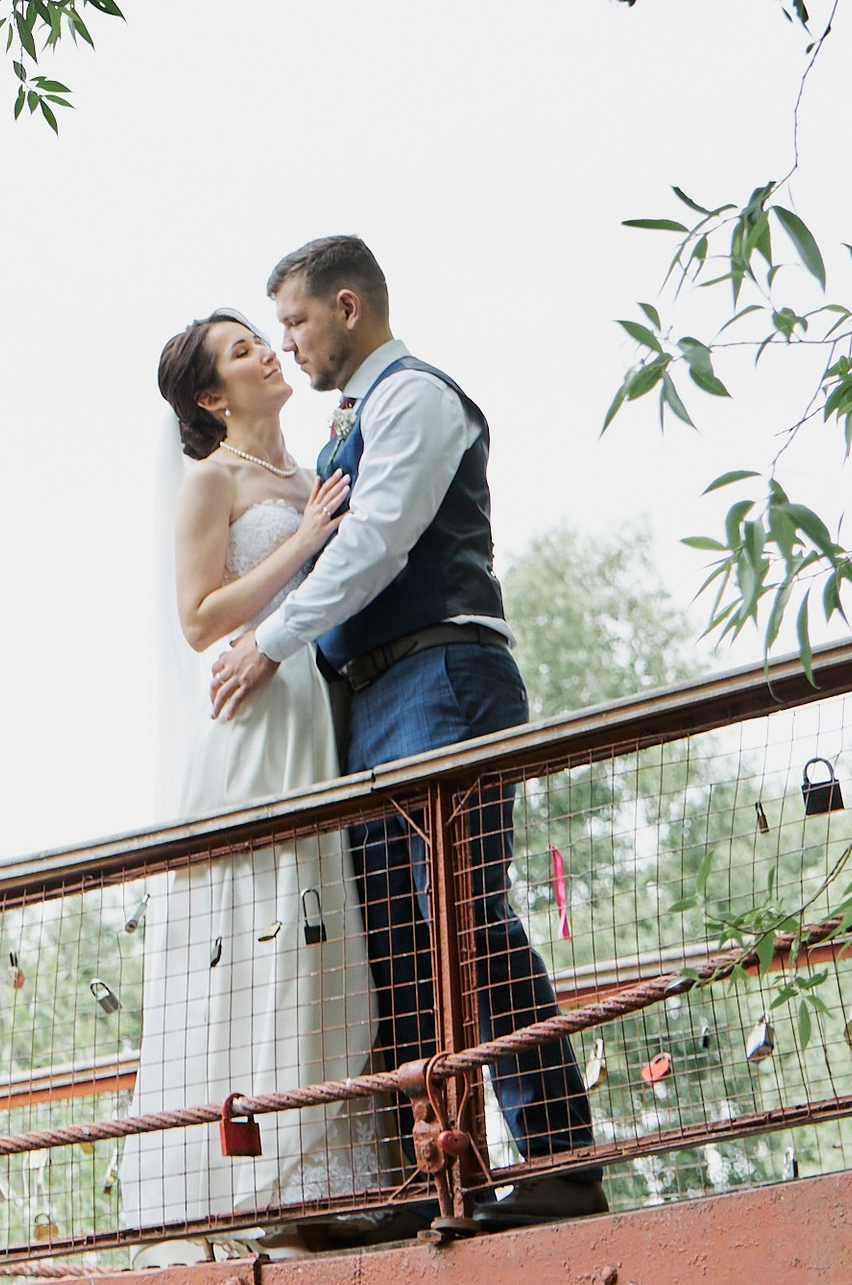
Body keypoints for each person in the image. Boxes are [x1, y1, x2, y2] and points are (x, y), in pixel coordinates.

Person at [208, 234, 605, 1225]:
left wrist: (268, 642)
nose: (287, 344)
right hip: (367, 701)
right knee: (391, 937)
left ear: (346, 308)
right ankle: (443, 1170)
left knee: (461, 917)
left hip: (441, 673)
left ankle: (559, 1162)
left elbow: (381, 539)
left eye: (294, 322)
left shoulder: (418, 398)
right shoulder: (344, 422)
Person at [129, 312, 391, 1254]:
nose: (266, 353)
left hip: (315, 711)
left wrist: (320, 519)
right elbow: (199, 622)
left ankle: (313, 1168)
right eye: (243, 351)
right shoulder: (213, 481)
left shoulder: (315, 466)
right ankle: (237, 1185)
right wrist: (302, 539)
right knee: (250, 925)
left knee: (318, 926)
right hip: (251, 727)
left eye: (263, 340)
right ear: (212, 395)